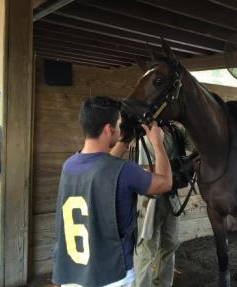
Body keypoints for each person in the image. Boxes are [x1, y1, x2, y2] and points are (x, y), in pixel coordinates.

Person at [52, 96, 172, 287]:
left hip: (77, 275)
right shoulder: (124, 170)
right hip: (114, 276)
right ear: (109, 129)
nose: (120, 127)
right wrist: (158, 143)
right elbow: (165, 183)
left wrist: (124, 141)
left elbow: (103, 168)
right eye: (118, 124)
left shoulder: (69, 166)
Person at [134, 122, 195, 287]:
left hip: (171, 194)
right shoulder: (143, 132)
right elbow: (142, 169)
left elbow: (196, 148)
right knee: (146, 248)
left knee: (170, 243)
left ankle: (163, 284)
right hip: (149, 197)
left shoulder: (176, 129)